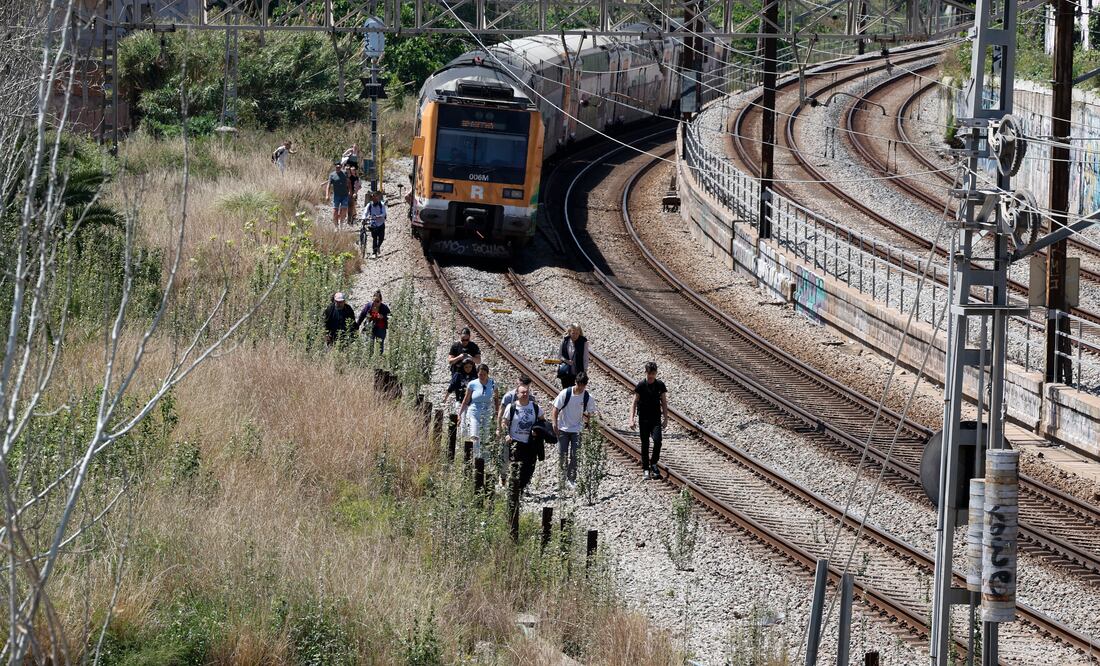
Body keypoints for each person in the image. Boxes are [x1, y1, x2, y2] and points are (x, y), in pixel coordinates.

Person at [551, 371, 596, 487]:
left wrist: (590, 426)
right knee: (562, 454)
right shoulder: (565, 393)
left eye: (583, 386)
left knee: (575, 455)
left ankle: (571, 478)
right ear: (576, 382)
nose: (581, 388)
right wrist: (554, 424)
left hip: (577, 430)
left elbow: (591, 414)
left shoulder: (587, 397)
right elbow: (555, 409)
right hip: (563, 429)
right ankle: (562, 477)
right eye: (579, 385)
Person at [629, 361, 669, 480]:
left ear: (656, 373)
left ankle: (654, 463)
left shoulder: (660, 385)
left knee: (658, 441)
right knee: (645, 444)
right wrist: (632, 419)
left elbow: (664, 403)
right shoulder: (641, 385)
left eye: (653, 373)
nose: (651, 376)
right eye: (649, 373)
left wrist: (666, 418)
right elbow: (634, 403)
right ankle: (646, 468)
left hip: (655, 418)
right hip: (644, 419)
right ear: (645, 372)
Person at [502, 383, 541, 495]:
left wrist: (537, 430)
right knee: (516, 465)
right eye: (522, 392)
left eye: (526, 392)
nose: (525, 394)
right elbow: (504, 422)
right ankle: (514, 489)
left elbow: (542, 421)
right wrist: (506, 434)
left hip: (530, 442)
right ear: (517, 394)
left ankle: (522, 487)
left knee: (529, 467)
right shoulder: (512, 407)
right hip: (515, 441)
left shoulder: (535, 407)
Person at [458, 363, 499, 461]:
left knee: (485, 435)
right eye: (480, 374)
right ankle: (475, 458)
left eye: (484, 374)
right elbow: (466, 400)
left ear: (487, 374)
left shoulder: (493, 383)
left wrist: (497, 413)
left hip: (487, 412)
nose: (482, 376)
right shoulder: (472, 384)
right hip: (474, 411)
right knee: (474, 435)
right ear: (477, 374)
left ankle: (485, 460)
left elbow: (496, 399)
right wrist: (459, 414)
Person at [557, 323, 590, 389]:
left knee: (576, 390)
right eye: (573, 333)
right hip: (566, 371)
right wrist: (566, 361)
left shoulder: (583, 342)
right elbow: (559, 355)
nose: (575, 335)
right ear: (569, 332)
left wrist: (585, 371)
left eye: (577, 333)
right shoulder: (565, 341)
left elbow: (585, 357)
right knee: (566, 389)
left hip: (578, 371)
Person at [357, 290, 390, 354]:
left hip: (381, 329)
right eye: (374, 301)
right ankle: (369, 360)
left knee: (379, 347)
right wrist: (357, 325)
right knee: (369, 345)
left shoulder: (384, 307)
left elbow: (390, 316)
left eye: (377, 301)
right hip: (370, 327)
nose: (375, 303)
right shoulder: (368, 306)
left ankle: (379, 360)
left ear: (381, 301)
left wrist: (383, 317)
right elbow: (362, 315)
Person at [325, 162, 349, 229]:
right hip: (336, 196)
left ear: (341, 167)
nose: (338, 168)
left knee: (344, 209)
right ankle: (336, 226)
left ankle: (341, 224)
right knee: (335, 211)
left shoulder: (345, 173)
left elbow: (348, 183)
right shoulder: (332, 175)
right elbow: (328, 185)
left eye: (339, 167)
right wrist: (327, 195)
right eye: (337, 167)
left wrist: (351, 192)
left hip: (345, 195)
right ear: (335, 167)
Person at [363, 190, 387, 259]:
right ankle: (374, 252)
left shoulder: (381, 204)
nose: (374, 199)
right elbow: (365, 212)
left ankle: (378, 247)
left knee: (381, 238)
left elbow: (384, 213)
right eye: (373, 197)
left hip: (381, 223)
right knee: (375, 238)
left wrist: (379, 216)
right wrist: (364, 218)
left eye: (375, 197)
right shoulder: (369, 205)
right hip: (373, 223)